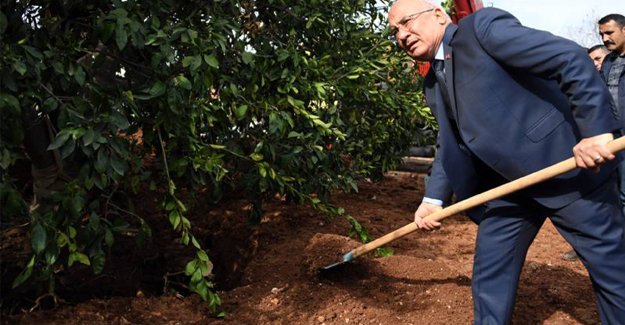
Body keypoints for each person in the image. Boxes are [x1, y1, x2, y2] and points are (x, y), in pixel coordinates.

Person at [387, 1, 625, 324]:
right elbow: (451, 140)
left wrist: (595, 130)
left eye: (407, 22)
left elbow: (567, 56)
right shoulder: (432, 82)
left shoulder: (480, 30)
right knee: (491, 267)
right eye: (395, 32)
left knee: (613, 272)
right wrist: (433, 198)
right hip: (511, 187)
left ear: (439, 15)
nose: (402, 35)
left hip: (568, 171)